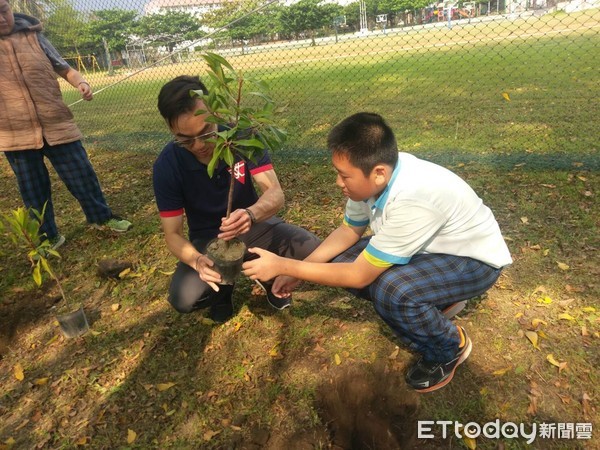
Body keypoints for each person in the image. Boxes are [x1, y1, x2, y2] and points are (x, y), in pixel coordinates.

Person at [243, 112, 512, 393]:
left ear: (379, 173)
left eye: (344, 175)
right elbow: (348, 232)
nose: (338, 182)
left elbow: (358, 276)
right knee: (340, 259)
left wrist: (285, 266)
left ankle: (449, 347)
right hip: (432, 250)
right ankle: (432, 304)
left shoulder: (415, 197)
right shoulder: (375, 179)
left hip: (473, 262)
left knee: (393, 290)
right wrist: (300, 270)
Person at [153, 75, 320, 322]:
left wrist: (251, 214)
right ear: (170, 128)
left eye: (206, 132)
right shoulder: (167, 165)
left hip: (254, 225)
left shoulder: (242, 136)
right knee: (184, 298)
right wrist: (198, 261)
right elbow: (173, 234)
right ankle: (223, 291)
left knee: (316, 251)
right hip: (210, 241)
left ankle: (270, 275)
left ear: (215, 112)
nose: (199, 146)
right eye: (185, 139)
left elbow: (274, 193)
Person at [0, 0, 132, 249]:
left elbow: (65, 68)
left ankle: (101, 218)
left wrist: (81, 83)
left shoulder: (34, 36)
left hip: (56, 123)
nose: (0, 18)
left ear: (10, 8)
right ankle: (47, 237)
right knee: (33, 191)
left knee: (82, 175)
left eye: (2, 10)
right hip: (15, 134)